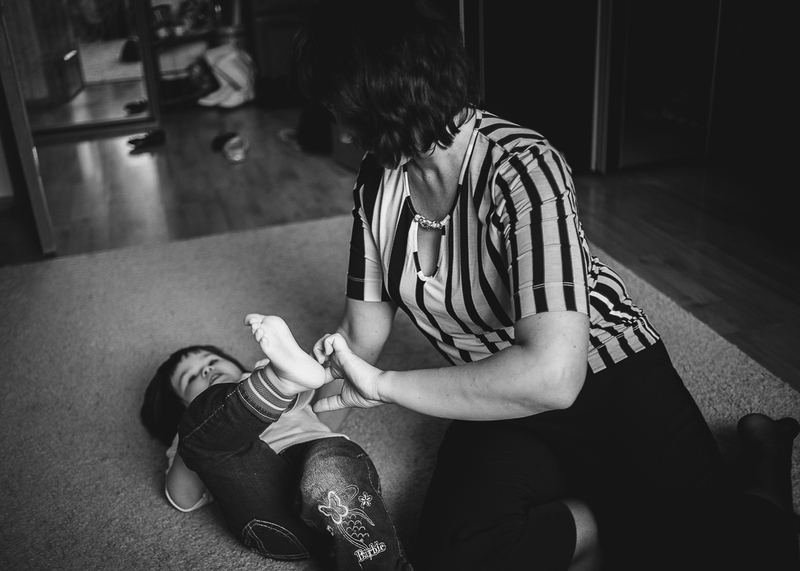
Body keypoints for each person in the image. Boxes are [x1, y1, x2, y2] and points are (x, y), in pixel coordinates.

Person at [289, 1, 800, 570]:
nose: (344, 132)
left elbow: (554, 377)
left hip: (605, 374)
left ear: (395, 100)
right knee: (457, 557)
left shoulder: (523, 167)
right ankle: (608, 519)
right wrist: (298, 436)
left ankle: (765, 460)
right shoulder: (378, 176)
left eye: (351, 115)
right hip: (496, 389)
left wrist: (385, 387)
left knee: (736, 559)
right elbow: (358, 336)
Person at [140, 314, 414, 571]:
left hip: (335, 484)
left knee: (325, 465)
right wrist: (192, 433)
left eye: (211, 361)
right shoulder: (189, 435)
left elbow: (303, 396)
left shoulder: (263, 370)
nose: (207, 369)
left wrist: (275, 377)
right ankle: (273, 387)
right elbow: (183, 499)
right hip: (273, 519)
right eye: (191, 377)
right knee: (205, 423)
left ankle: (274, 387)